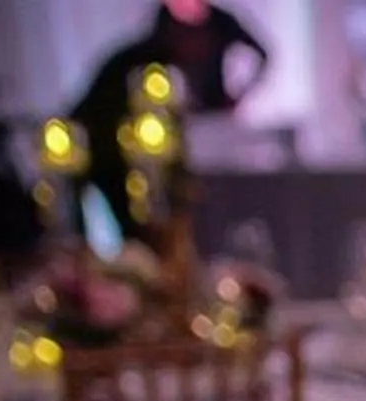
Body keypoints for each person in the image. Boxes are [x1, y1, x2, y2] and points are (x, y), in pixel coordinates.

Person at [70, 1, 269, 238]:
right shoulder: (145, 70)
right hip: (111, 156)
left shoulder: (208, 35)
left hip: (136, 161)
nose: (201, 52)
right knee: (142, 230)